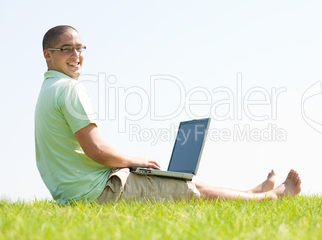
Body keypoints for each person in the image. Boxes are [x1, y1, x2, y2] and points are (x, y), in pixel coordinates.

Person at [35, 25, 302, 204]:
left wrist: (125, 165)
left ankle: (249, 193)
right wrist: (132, 161)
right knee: (185, 187)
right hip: (94, 192)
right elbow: (96, 151)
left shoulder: (49, 89)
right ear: (48, 55)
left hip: (74, 192)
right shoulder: (70, 90)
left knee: (178, 180)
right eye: (66, 49)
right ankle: (270, 199)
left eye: (80, 47)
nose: (76, 54)